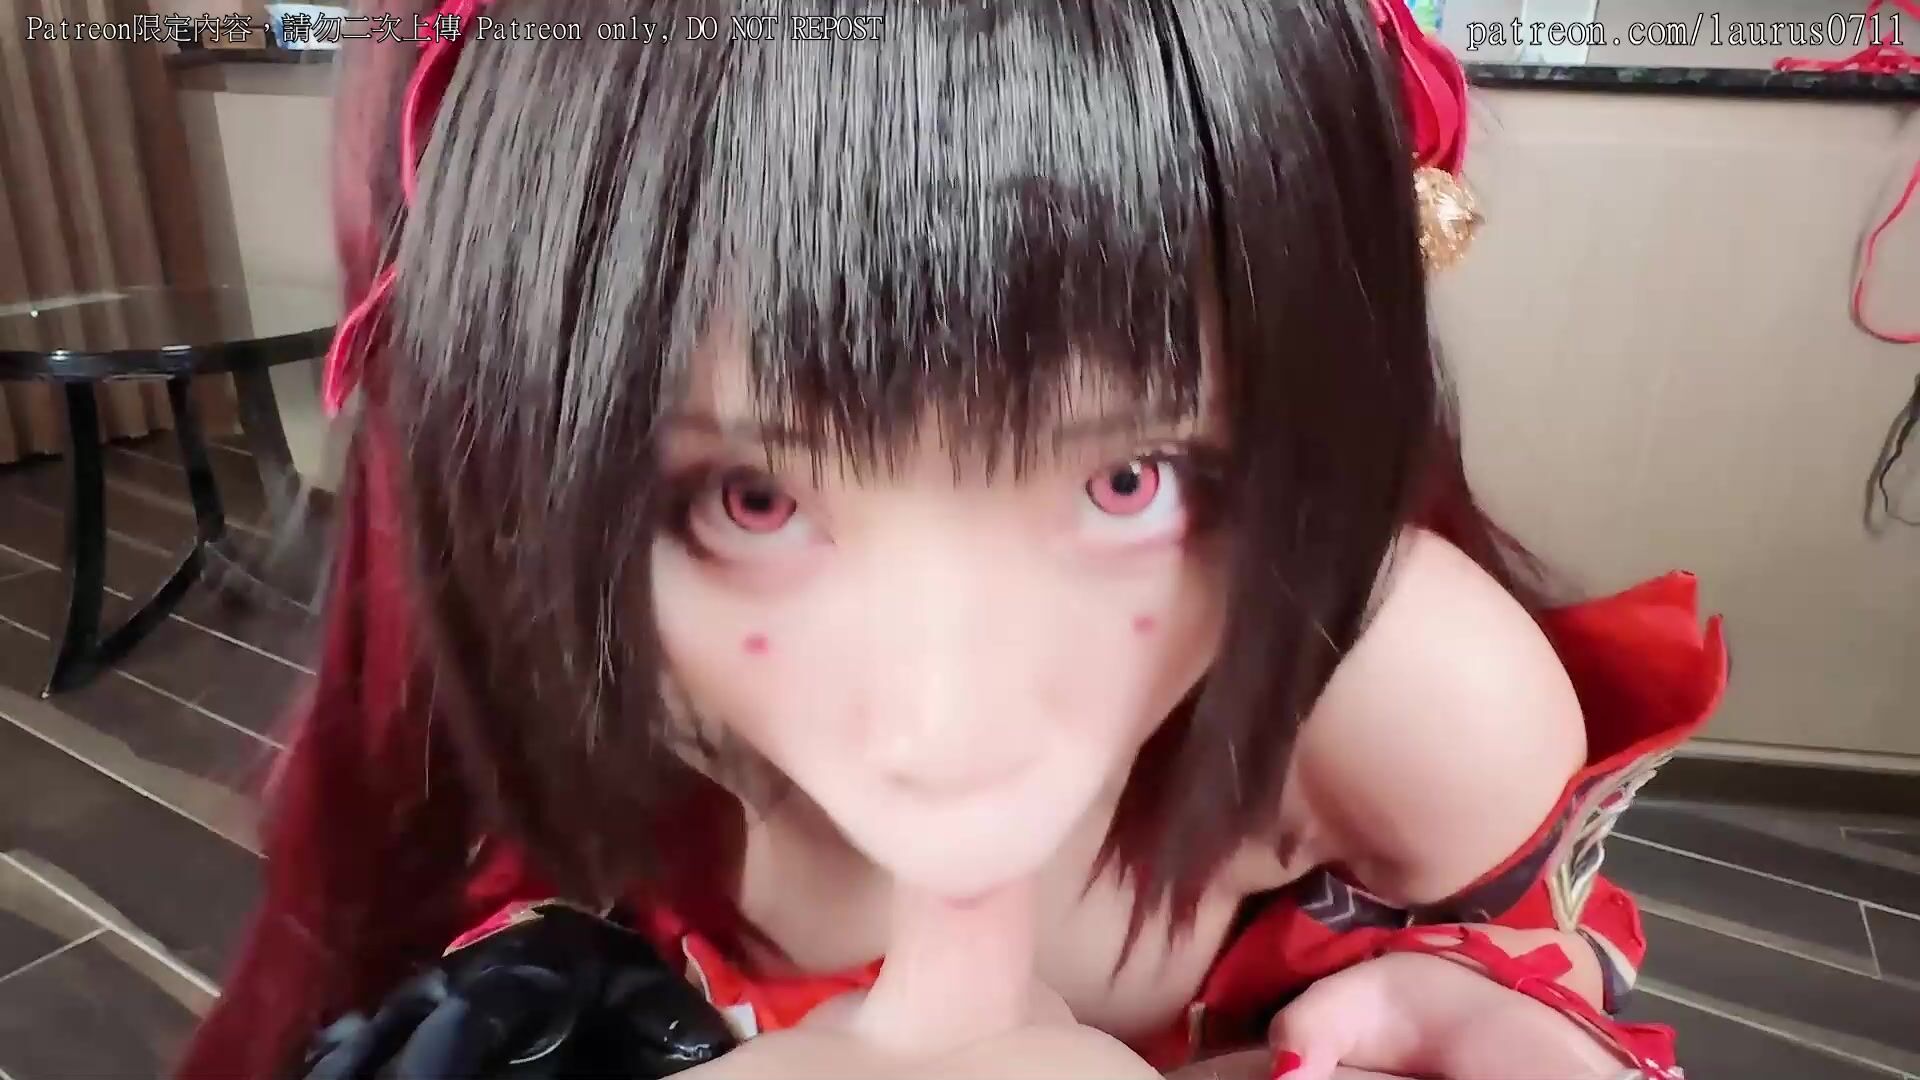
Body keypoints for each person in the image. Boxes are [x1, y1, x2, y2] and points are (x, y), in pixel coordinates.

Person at [176, 1, 1728, 1078]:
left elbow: (1524, 964)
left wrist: (1493, 1016)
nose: (948, 724)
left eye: (1131, 480)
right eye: (753, 499)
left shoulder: (1409, 708)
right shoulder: (576, 661)